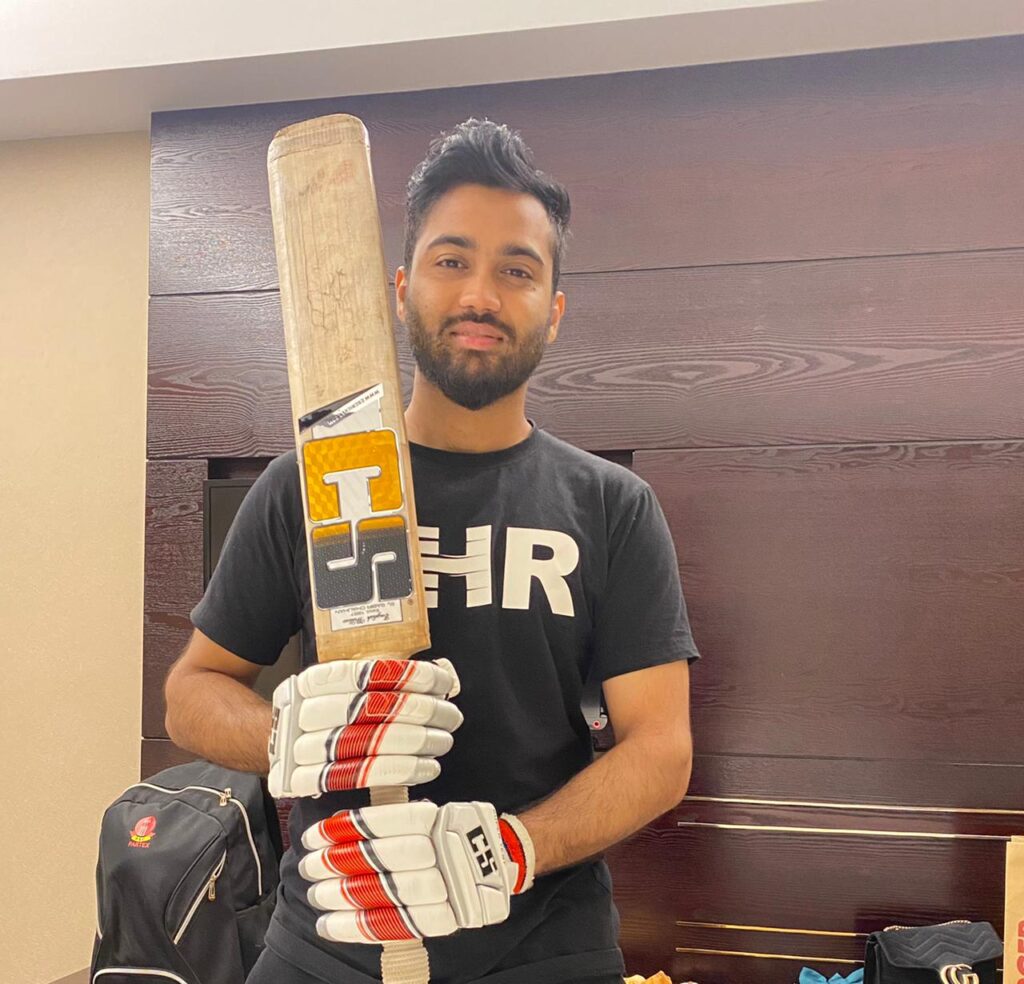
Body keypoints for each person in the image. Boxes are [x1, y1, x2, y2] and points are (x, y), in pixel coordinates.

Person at [164, 118, 699, 984]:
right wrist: (293, 739)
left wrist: (512, 850)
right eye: (452, 261)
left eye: (516, 270)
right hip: (325, 944)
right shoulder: (313, 486)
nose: (480, 294)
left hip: (544, 949)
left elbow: (661, 749)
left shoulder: (611, 506)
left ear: (554, 311)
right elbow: (192, 693)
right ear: (403, 287)